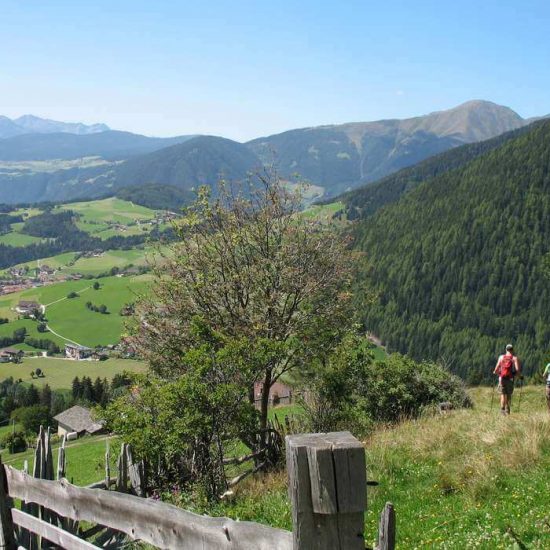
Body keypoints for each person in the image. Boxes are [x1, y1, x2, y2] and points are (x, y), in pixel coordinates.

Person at [493, 344, 521, 415]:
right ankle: (507, 411)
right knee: (509, 395)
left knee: (502, 394)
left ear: (506, 349)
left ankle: (502, 411)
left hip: (502, 379)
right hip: (510, 379)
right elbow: (517, 371)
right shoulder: (514, 358)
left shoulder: (501, 357)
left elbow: (496, 370)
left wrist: (498, 373)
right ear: (512, 350)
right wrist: (519, 376)